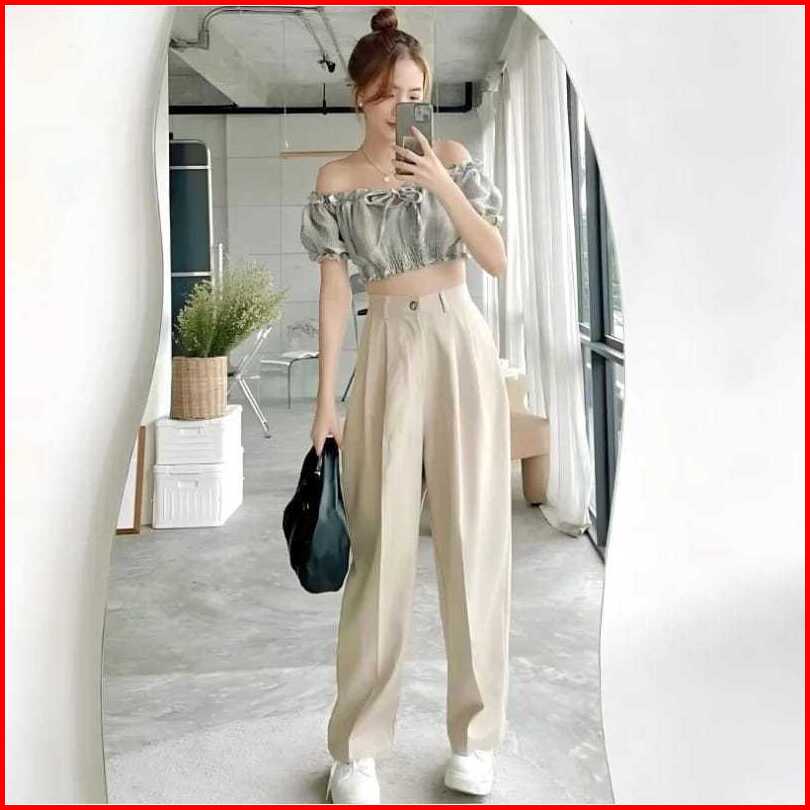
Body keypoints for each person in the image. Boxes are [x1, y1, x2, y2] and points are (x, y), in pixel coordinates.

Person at [299, 7, 512, 805]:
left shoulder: (451, 158)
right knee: (378, 550)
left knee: (472, 544)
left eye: (416, 93)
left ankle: (475, 741)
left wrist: (442, 184)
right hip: (385, 343)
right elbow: (332, 297)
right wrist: (325, 402)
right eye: (389, 93)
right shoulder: (336, 181)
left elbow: (495, 258)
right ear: (360, 95)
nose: (403, 107)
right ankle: (356, 750)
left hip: (460, 341)